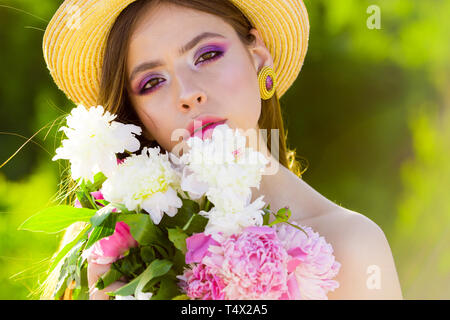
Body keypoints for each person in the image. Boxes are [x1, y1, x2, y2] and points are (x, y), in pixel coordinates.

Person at [41, 0, 403, 300]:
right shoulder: (119, 252)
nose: (187, 93)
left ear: (258, 56)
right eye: (152, 82)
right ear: (136, 117)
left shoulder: (352, 247)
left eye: (207, 55)